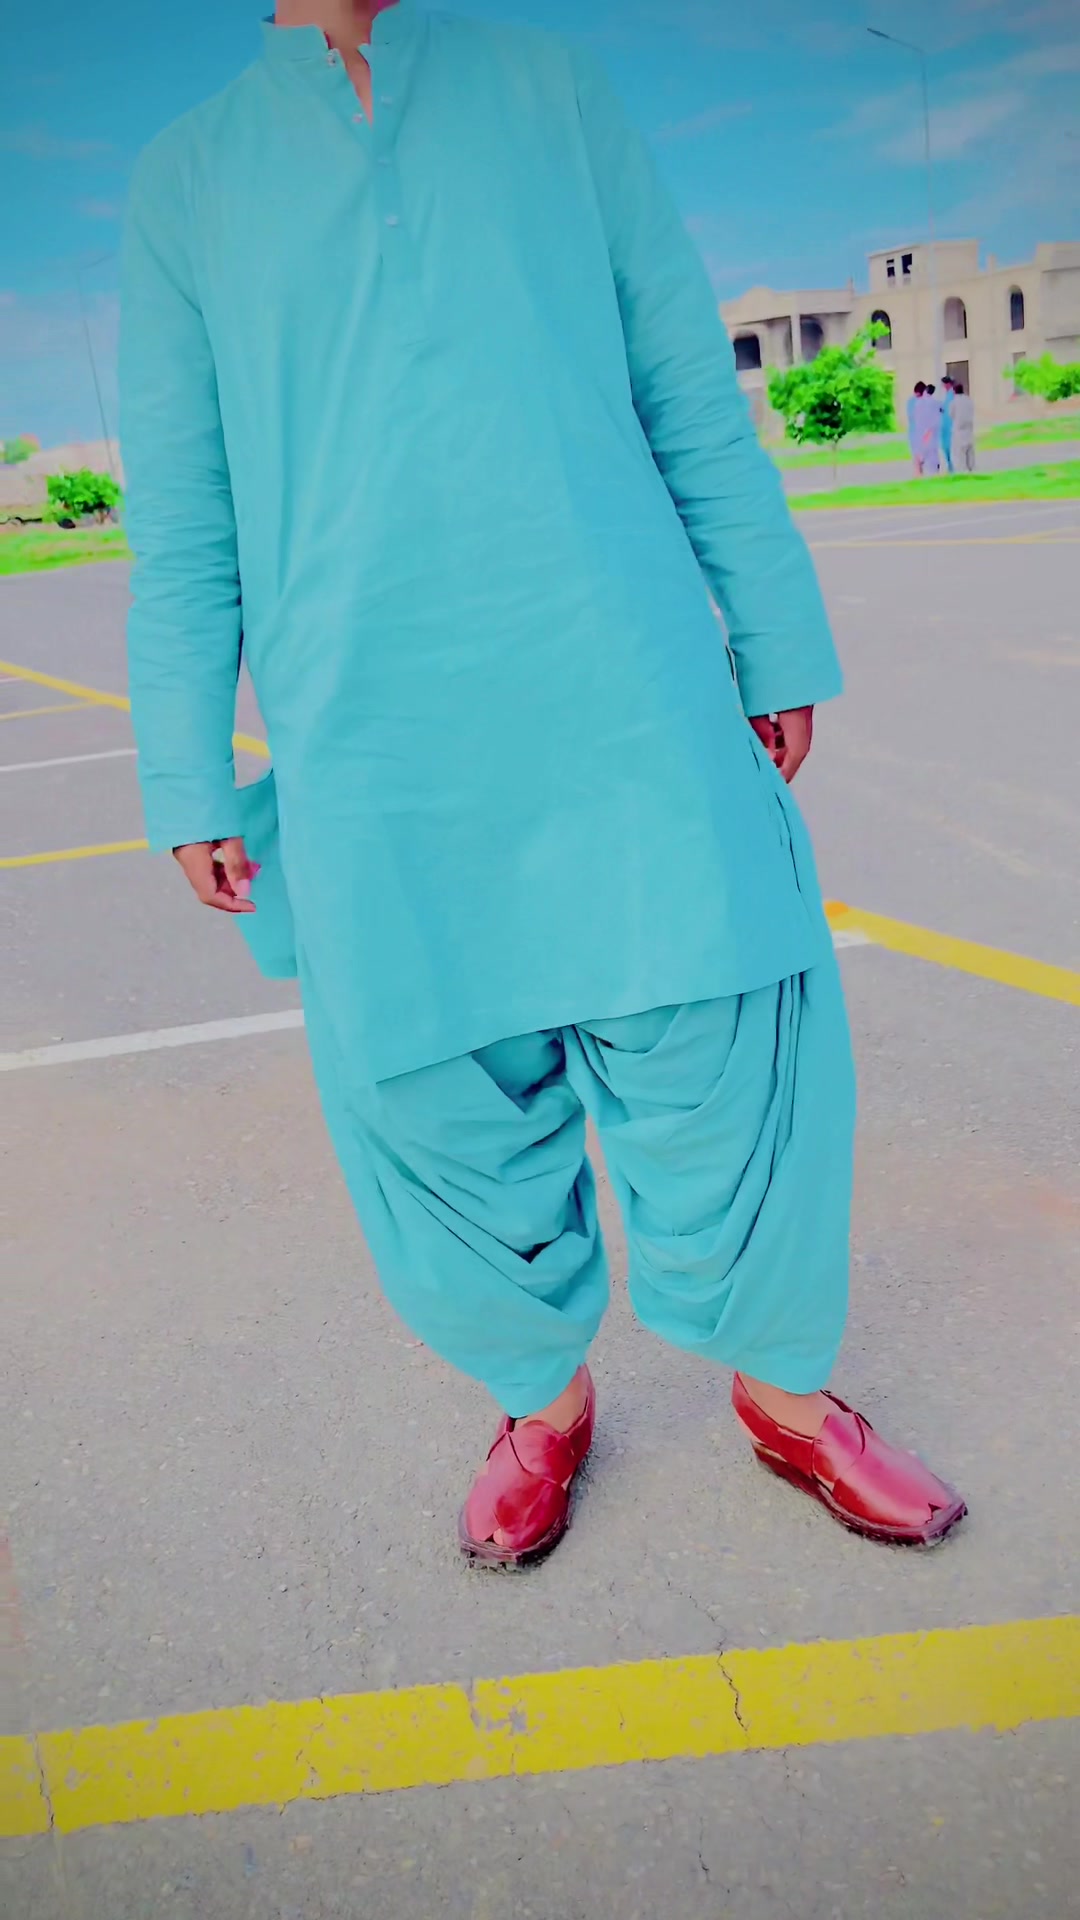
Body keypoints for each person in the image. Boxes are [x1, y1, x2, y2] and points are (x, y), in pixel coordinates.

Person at [121, 0, 966, 1569]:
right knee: (438, 1102)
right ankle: (541, 1404)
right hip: (372, 749)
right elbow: (183, 519)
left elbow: (685, 388)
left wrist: (772, 628)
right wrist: (184, 772)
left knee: (732, 1054)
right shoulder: (189, 180)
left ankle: (786, 1400)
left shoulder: (548, 90)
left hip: (625, 692)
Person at [951, 382, 976, 471]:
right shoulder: (968, 400)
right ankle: (971, 468)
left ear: (954, 391)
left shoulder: (954, 401)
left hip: (959, 428)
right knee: (970, 449)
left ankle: (962, 469)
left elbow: (951, 414)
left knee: (960, 450)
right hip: (969, 426)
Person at [906, 381, 926, 473]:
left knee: (917, 454)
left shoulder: (911, 401)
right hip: (918, 431)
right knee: (920, 454)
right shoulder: (921, 401)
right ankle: (919, 471)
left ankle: (919, 471)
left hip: (916, 431)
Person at [938, 376, 955, 473]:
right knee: (946, 446)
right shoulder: (947, 395)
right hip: (945, 423)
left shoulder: (952, 394)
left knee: (950, 445)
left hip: (949, 423)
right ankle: (949, 465)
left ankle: (952, 466)